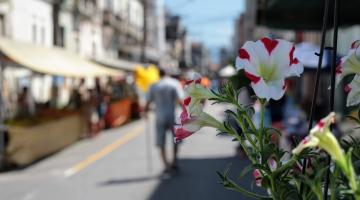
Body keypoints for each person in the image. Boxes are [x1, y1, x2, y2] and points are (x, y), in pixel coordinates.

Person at [144, 68, 184, 175]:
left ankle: (166, 164)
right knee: (176, 139)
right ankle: (174, 160)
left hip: (160, 115)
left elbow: (148, 102)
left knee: (161, 140)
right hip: (173, 114)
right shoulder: (174, 83)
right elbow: (180, 100)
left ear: (158, 74)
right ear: (168, 73)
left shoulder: (154, 85)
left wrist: (145, 112)